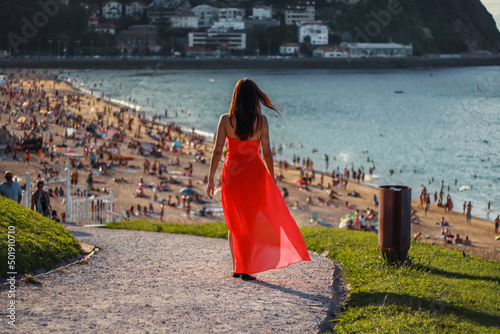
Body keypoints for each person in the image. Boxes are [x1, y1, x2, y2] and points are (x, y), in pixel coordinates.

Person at [206, 78, 311, 281]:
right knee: (251, 221)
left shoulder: (226, 120)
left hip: (232, 174)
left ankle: (238, 266)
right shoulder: (261, 121)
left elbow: (217, 150)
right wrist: (271, 178)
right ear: (255, 98)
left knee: (234, 223)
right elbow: (267, 153)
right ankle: (245, 267)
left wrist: (210, 178)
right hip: (255, 173)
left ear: (235, 97)